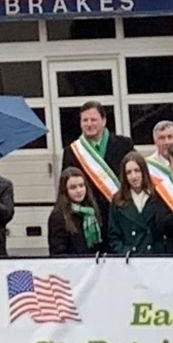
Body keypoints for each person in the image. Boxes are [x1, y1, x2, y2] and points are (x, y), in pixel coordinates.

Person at [61, 101, 134, 240]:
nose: (89, 124)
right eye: (85, 120)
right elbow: (65, 187)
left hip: (120, 214)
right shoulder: (72, 151)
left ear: (104, 121)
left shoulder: (124, 145)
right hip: (88, 218)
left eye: (93, 120)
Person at [108, 152, 164, 255]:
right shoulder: (118, 200)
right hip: (130, 259)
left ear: (144, 172)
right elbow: (113, 237)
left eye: (137, 171)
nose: (133, 176)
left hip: (154, 258)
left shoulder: (158, 197)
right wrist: (125, 252)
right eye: (128, 172)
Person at [47, 167, 104, 255]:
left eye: (81, 185)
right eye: (73, 187)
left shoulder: (91, 211)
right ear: (65, 190)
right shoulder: (58, 216)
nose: (79, 190)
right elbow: (58, 251)